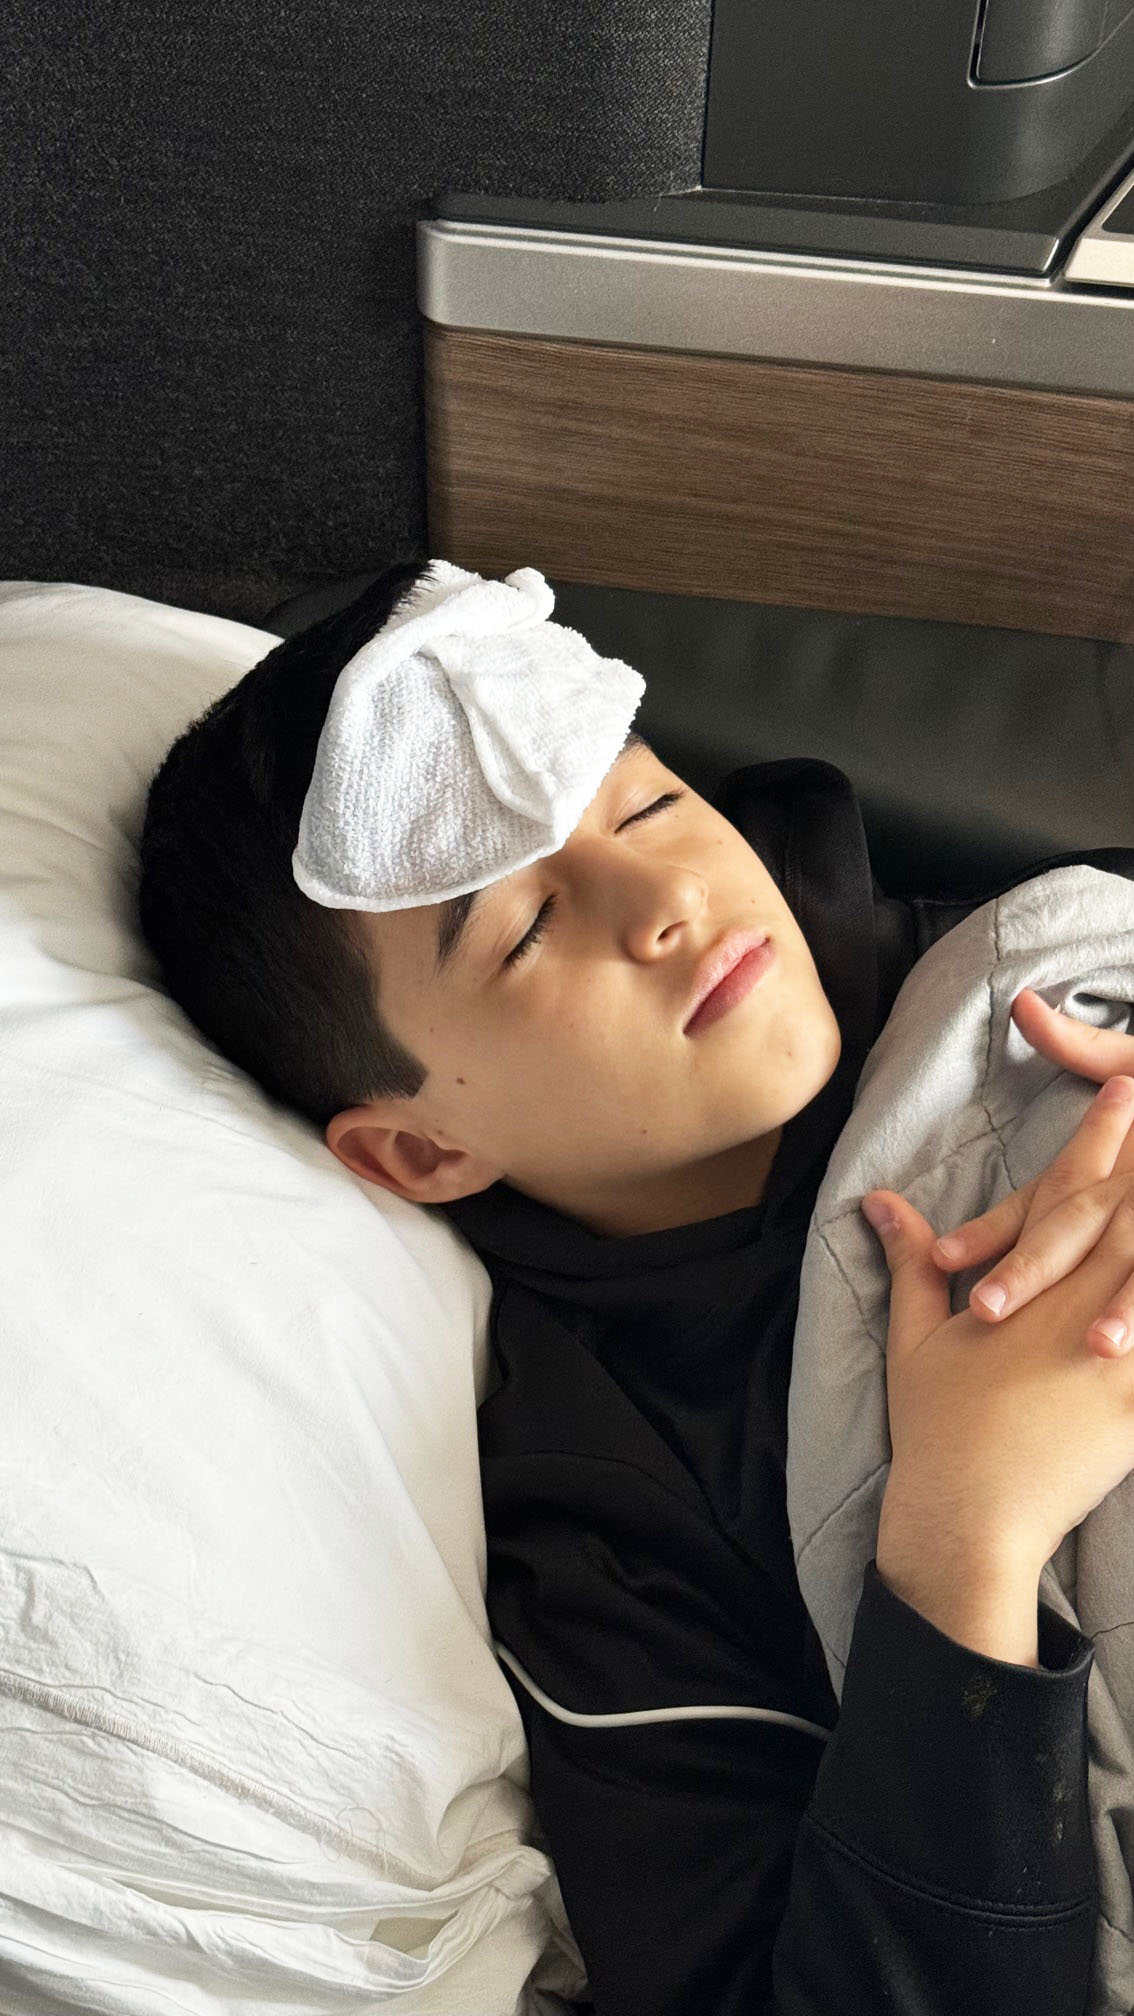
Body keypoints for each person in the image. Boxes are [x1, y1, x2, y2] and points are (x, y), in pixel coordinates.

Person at [137, 554, 1134, 2013]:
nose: (665, 895)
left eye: (649, 805)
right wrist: (964, 1534)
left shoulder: (1028, 975)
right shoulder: (608, 1539)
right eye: (527, 930)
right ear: (420, 1150)